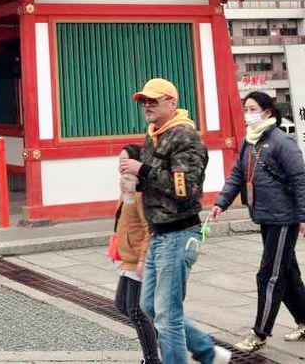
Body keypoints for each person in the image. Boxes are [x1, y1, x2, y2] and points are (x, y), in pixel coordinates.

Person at [119, 77, 230, 364]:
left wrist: (141, 169)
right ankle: (208, 352)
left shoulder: (184, 137)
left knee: (167, 317)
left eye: (153, 101)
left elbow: (184, 188)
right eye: (144, 102)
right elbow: (151, 168)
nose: (147, 106)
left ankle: (201, 353)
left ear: (172, 102)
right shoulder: (156, 133)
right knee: (149, 306)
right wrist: (133, 166)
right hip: (160, 233)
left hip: (179, 232)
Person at [208, 91, 305, 352]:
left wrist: (304, 216)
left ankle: (260, 332)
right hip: (265, 216)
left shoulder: (281, 142)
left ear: (267, 112)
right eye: (245, 108)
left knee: (269, 275)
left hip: (283, 218)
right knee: (287, 273)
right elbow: (238, 174)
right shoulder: (250, 142)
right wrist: (221, 202)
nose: (247, 114)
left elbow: (299, 179)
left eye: (251, 108)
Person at [114, 144, 160, 364]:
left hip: (138, 260)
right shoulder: (128, 188)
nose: (121, 167)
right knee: (122, 305)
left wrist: (143, 259)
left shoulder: (142, 194)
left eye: (125, 162)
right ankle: (159, 338)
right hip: (127, 258)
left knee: (136, 311)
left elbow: (148, 229)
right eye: (119, 162)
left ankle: (152, 359)